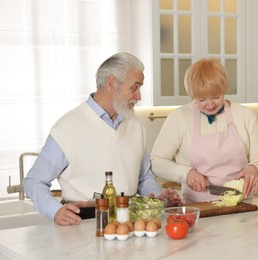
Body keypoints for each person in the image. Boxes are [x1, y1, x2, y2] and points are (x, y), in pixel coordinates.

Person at [23, 52, 181, 226]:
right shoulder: (67, 128)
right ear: (112, 83)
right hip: (83, 223)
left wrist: (154, 198)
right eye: (134, 87)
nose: (139, 96)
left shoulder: (135, 124)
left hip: (129, 223)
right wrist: (55, 211)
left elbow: (144, 177)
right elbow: (34, 181)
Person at [150, 58, 258, 203]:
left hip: (241, 206)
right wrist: (187, 174)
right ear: (192, 95)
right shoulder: (179, 117)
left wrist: (254, 168)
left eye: (216, 97)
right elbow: (156, 162)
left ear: (224, 89)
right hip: (198, 209)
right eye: (201, 100)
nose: (210, 105)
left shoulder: (245, 115)